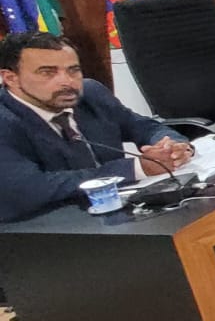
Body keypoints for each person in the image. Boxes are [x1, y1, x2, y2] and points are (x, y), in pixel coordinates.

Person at [0, 32, 192, 222]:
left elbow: (145, 127)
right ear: (10, 78)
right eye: (47, 72)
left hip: (124, 213)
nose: (67, 81)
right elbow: (27, 189)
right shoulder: (5, 120)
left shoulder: (91, 94)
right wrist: (135, 168)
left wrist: (172, 148)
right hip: (48, 227)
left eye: (73, 70)